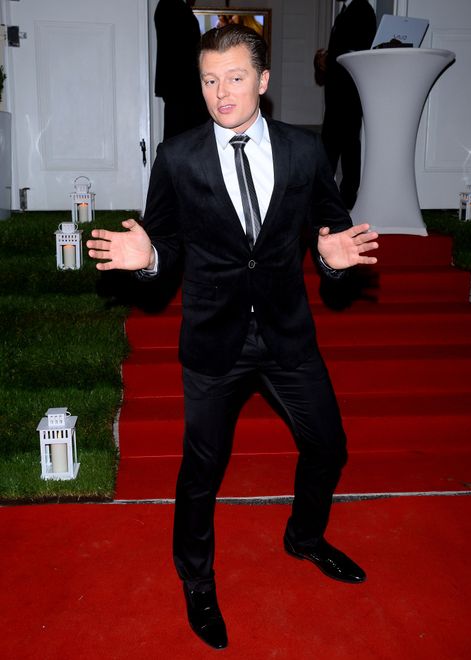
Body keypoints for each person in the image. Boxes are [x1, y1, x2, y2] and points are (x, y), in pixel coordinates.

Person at [87, 24, 379, 651]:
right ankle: (196, 581)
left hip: (286, 335)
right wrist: (149, 259)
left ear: (263, 81)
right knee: (202, 468)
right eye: (210, 80)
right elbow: (165, 240)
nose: (222, 93)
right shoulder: (178, 157)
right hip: (214, 341)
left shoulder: (304, 152)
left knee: (328, 446)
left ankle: (305, 537)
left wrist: (332, 261)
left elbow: (333, 231)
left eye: (236, 78)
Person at [314, 0, 377, 209]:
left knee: (347, 143)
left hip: (349, 88)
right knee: (333, 142)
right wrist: (324, 59)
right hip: (338, 88)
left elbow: (359, 48)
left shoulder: (362, 9)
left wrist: (330, 58)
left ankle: (346, 196)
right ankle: (328, 193)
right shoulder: (345, 10)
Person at [154, 0, 209, 139]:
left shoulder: (173, 6)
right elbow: (181, 52)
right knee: (184, 139)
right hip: (183, 88)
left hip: (182, 88)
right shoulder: (171, 6)